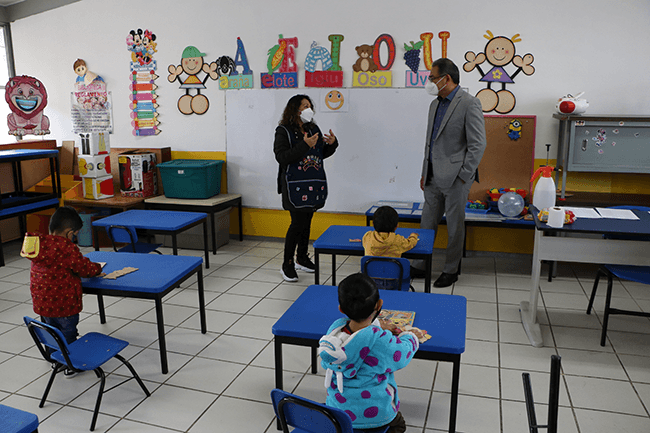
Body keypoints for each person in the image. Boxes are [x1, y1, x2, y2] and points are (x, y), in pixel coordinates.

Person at [412, 58, 487, 288]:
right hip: (433, 176)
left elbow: (478, 144)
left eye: (433, 77)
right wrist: (426, 171)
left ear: (447, 78)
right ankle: (420, 263)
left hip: (457, 178)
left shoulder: (469, 103)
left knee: (455, 226)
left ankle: (451, 269)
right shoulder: (434, 104)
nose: (430, 81)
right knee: (427, 223)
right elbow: (430, 142)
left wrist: (464, 175)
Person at [318, 273, 422, 432]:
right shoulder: (381, 342)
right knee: (398, 424)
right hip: (375, 415)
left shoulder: (334, 333)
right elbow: (402, 354)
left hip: (338, 412)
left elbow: (359, 336)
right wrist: (412, 336)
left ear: (341, 309)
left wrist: (379, 326)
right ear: (379, 304)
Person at [21, 206, 103, 373]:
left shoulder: (37, 245)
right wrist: (97, 268)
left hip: (43, 304)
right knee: (68, 334)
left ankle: (55, 359)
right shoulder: (66, 248)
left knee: (51, 333)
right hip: (65, 304)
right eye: (75, 234)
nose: (74, 238)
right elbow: (84, 269)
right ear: (68, 232)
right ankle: (71, 365)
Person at [274, 94, 338, 282]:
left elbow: (318, 154)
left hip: (312, 183)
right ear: (294, 109)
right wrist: (304, 144)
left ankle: (302, 257)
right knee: (297, 224)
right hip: (294, 186)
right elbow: (282, 157)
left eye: (310, 105)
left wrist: (332, 145)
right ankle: (287, 264)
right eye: (304, 106)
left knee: (307, 221)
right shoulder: (283, 131)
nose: (308, 109)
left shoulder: (312, 128)